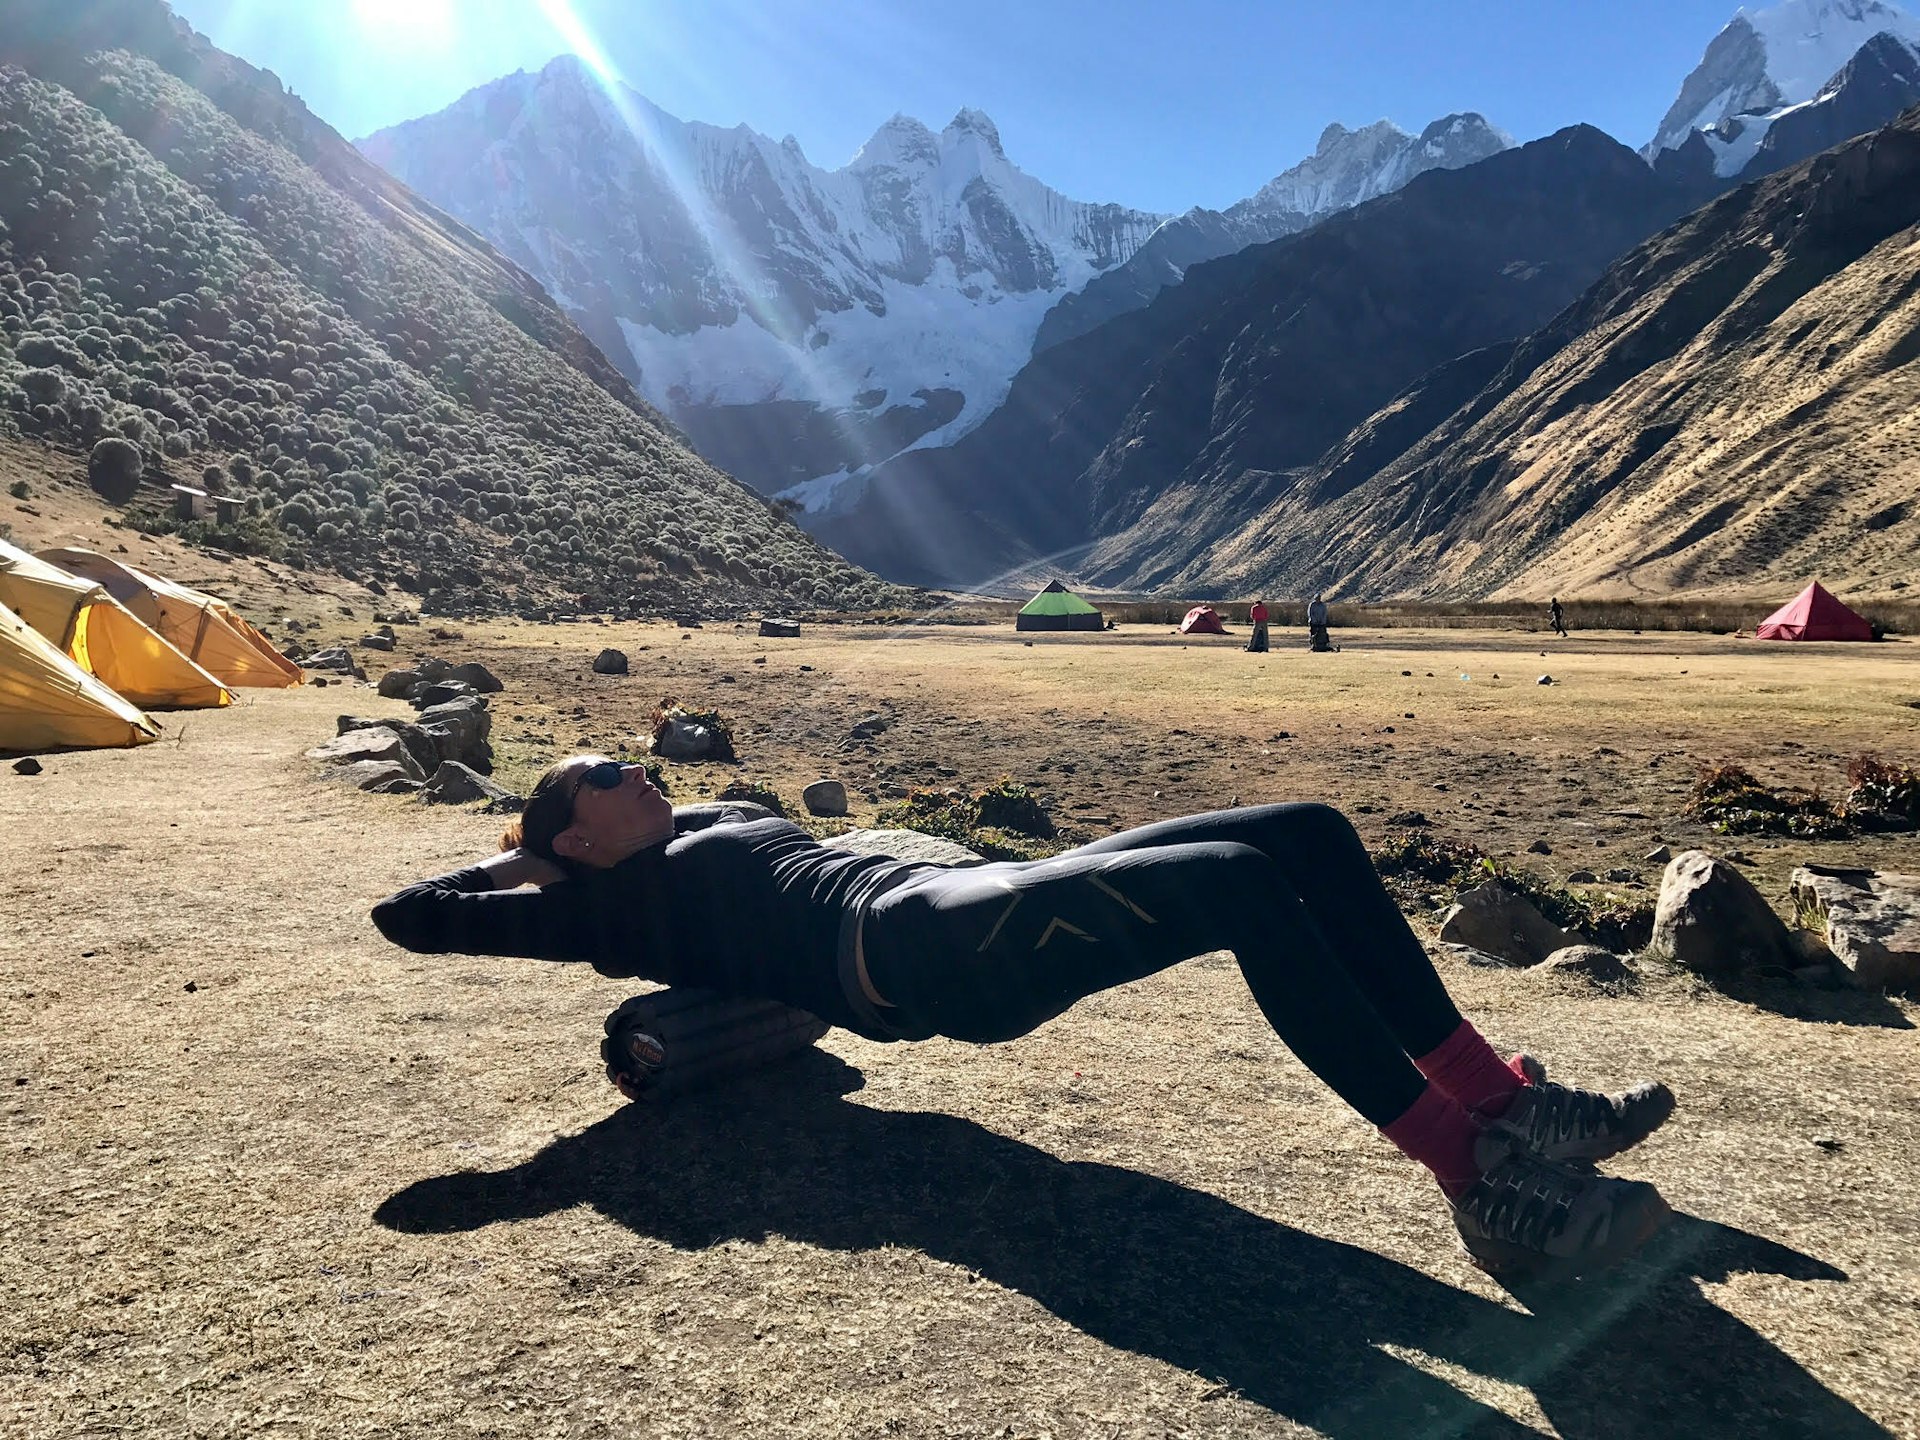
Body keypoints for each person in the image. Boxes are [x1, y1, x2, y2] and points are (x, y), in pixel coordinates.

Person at [373, 756, 1677, 1282]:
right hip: (913, 954)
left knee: (1305, 834)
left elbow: (716, 829)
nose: (632, 768)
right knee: (1235, 891)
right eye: (603, 779)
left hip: (943, 893)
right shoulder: (610, 911)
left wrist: (579, 828)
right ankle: (1469, 1172)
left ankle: (1503, 1101)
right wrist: (525, 869)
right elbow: (414, 916)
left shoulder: (697, 823)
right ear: (575, 835)